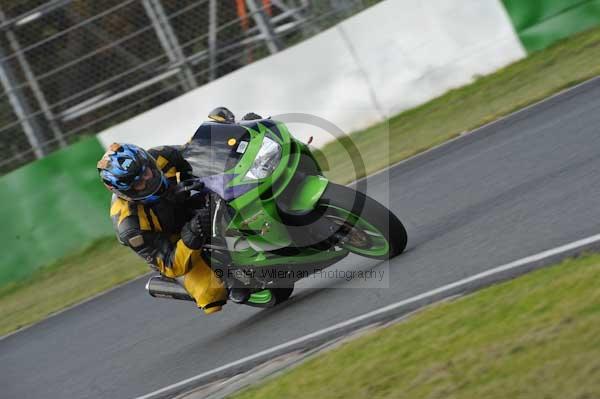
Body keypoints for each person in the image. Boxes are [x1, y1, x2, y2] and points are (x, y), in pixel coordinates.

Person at [97, 142, 230, 314]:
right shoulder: (130, 225)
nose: (148, 180)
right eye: (139, 184)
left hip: (190, 202)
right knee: (211, 294)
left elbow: (199, 149)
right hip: (175, 243)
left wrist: (236, 132)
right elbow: (170, 263)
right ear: (125, 192)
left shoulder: (161, 156)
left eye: (146, 172)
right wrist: (194, 231)